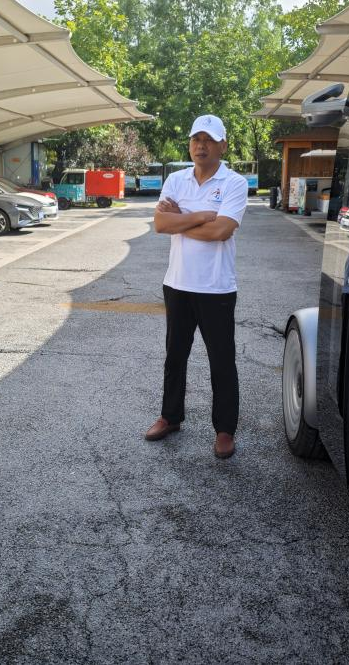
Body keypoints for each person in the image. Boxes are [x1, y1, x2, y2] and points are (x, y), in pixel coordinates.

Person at [145, 114, 249, 459]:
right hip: (177, 284)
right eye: (196, 139)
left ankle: (225, 430)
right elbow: (161, 224)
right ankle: (170, 417)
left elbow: (221, 231)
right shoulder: (176, 179)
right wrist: (203, 215)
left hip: (216, 287)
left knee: (222, 361)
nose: (201, 146)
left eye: (208, 140)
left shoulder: (234, 183)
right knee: (175, 356)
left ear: (223, 145)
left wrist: (181, 218)